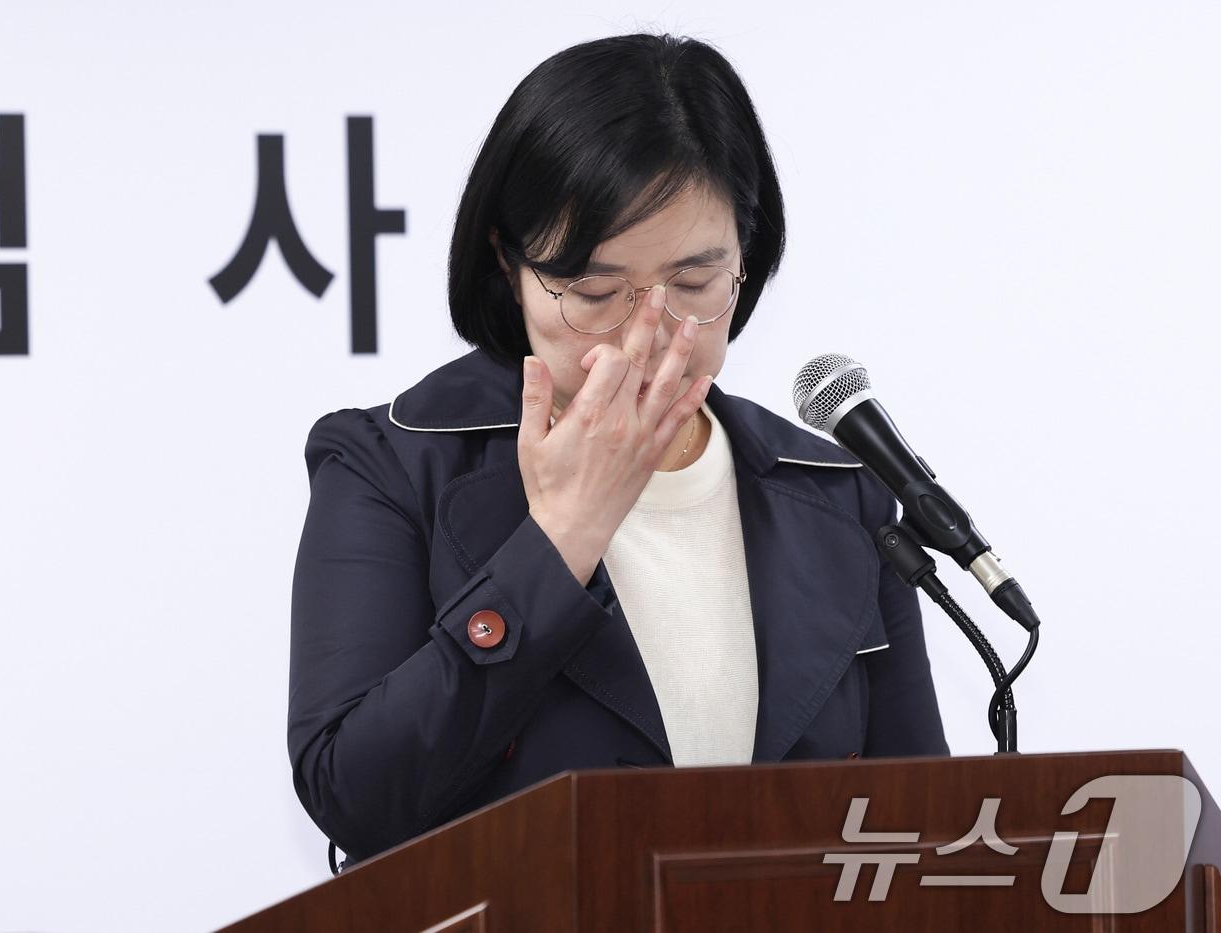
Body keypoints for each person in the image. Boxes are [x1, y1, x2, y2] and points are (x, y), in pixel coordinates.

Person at [288, 32, 949, 873]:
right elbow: (354, 795)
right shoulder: (390, 463)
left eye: (695, 285)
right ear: (509, 265)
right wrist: (560, 539)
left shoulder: (839, 492)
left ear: (747, 256)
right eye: (596, 292)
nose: (650, 333)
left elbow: (918, 826)